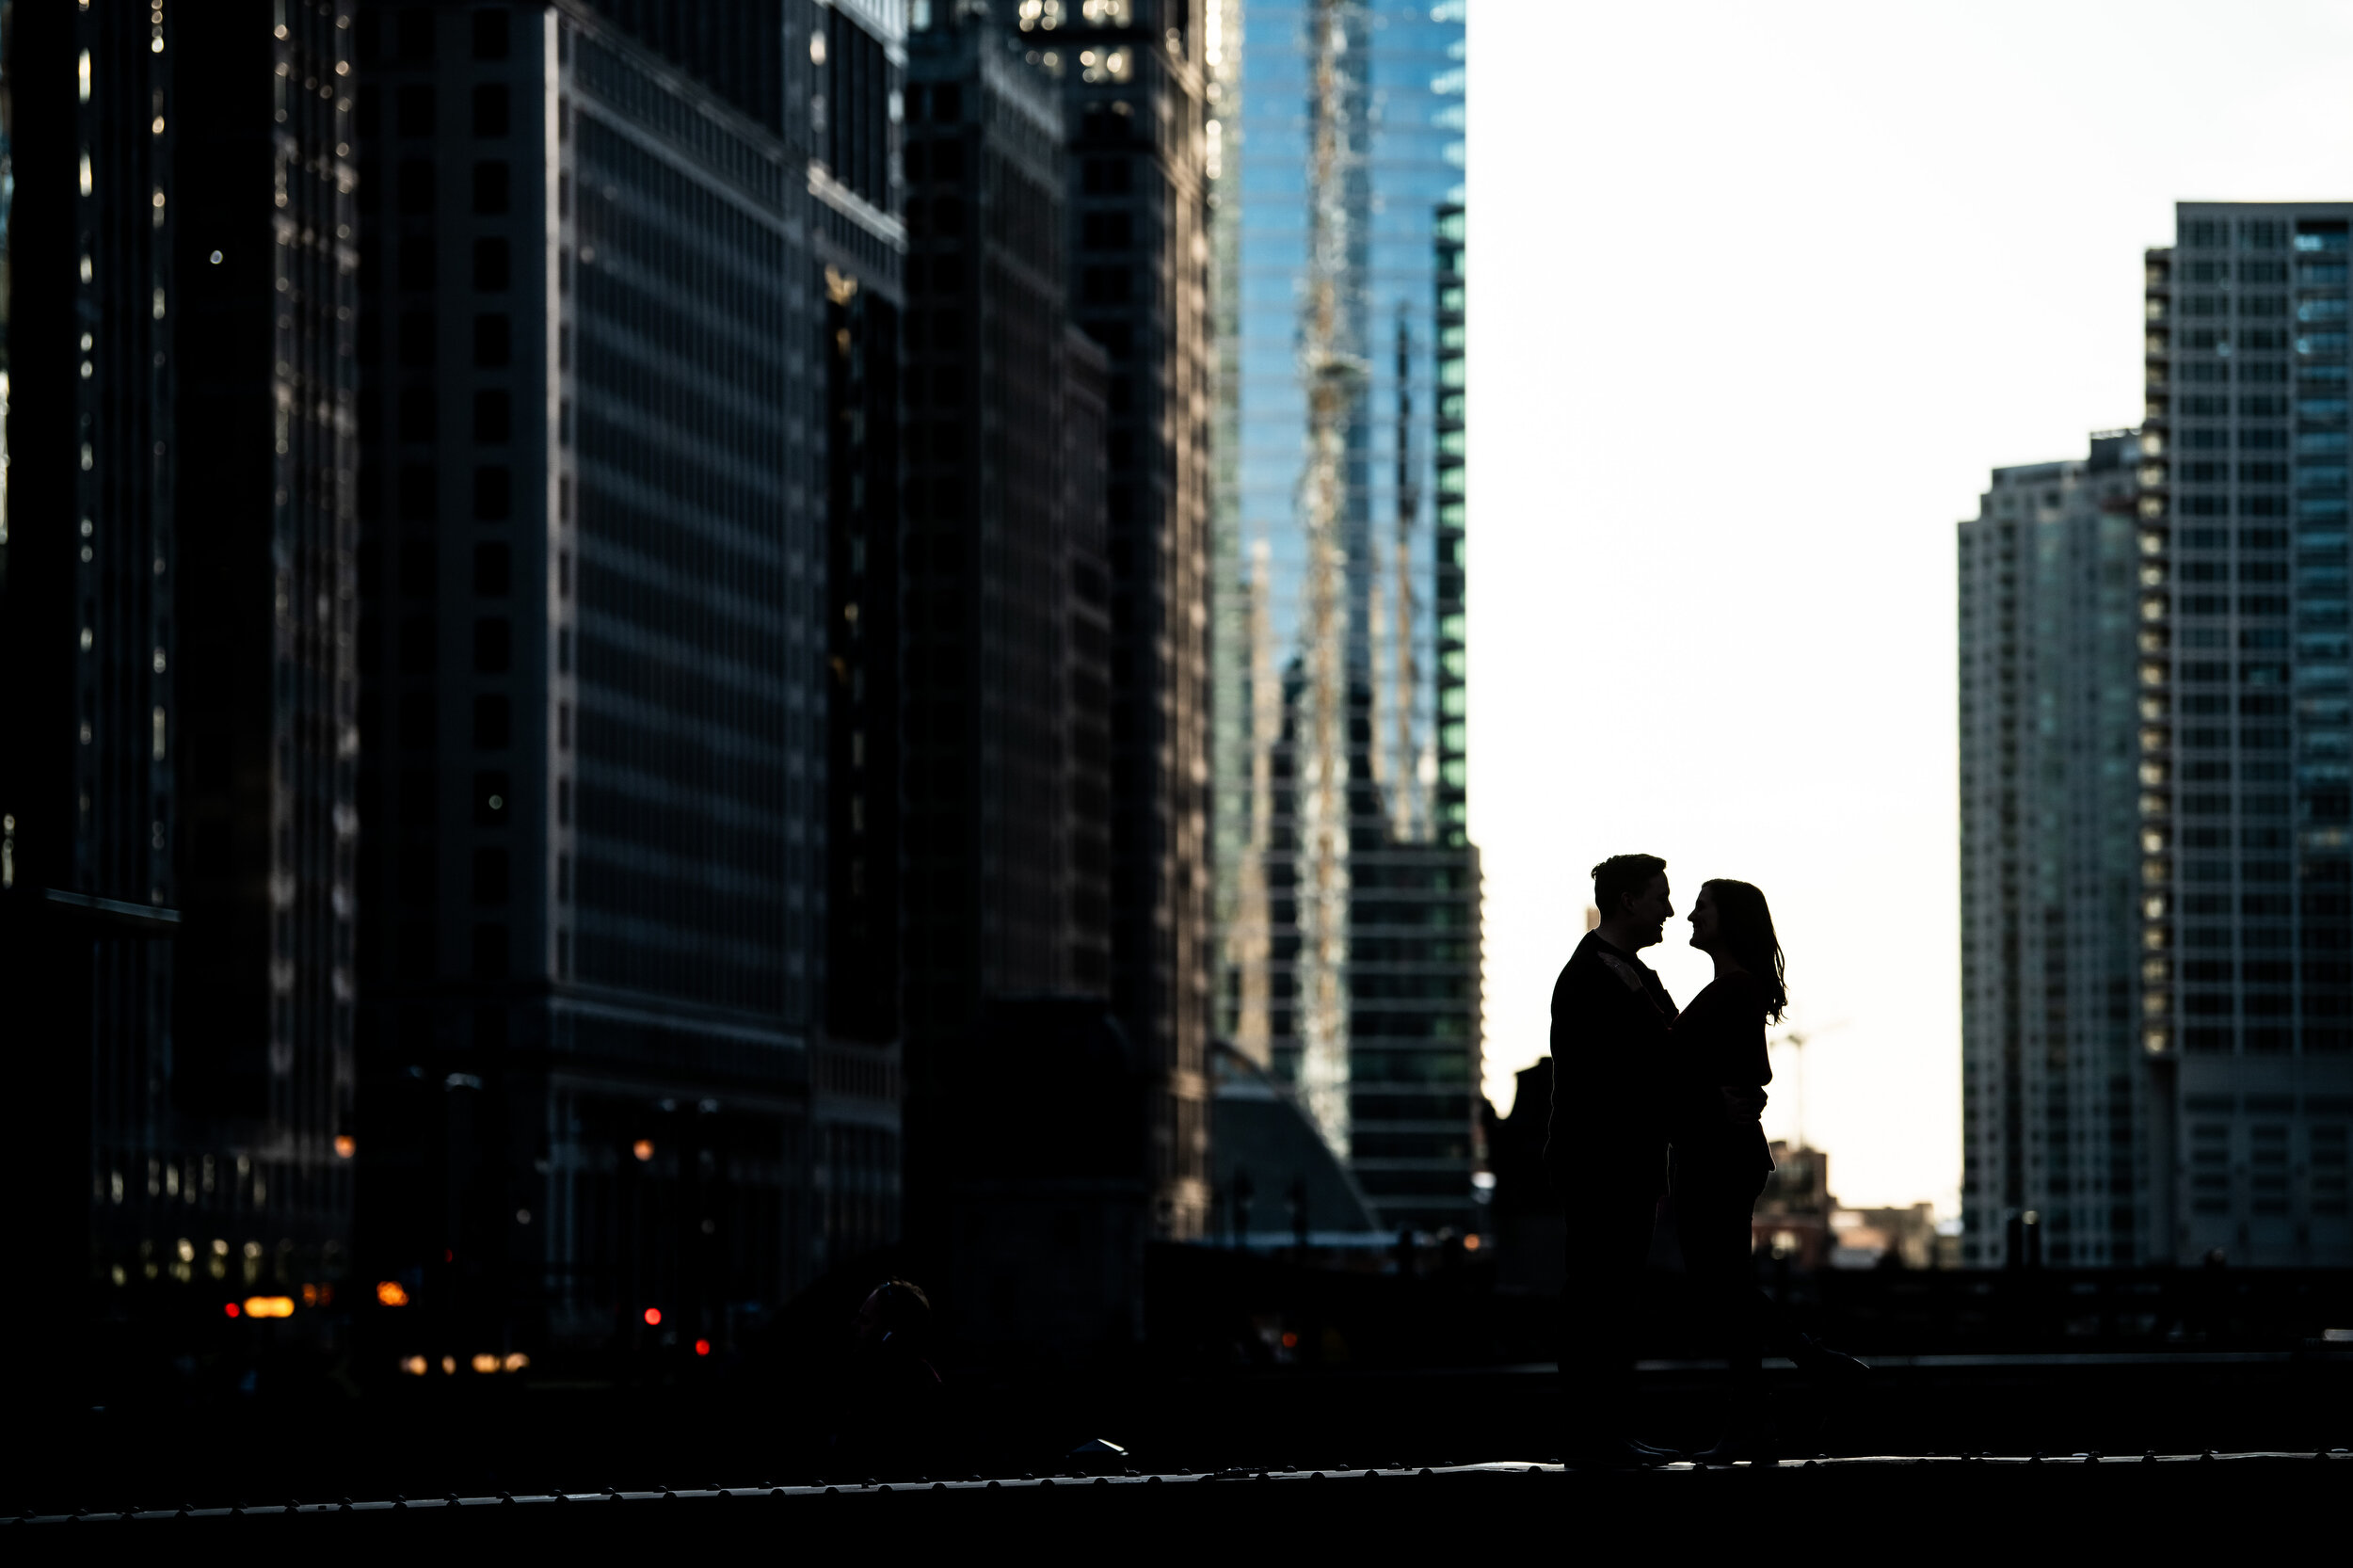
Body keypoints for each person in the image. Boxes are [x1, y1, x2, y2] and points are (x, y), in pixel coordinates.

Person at [1673, 878, 1866, 1464]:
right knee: (1727, 1290)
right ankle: (1764, 1410)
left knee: (1723, 1288)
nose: (1689, 916)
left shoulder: (1735, 988)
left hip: (1718, 1154)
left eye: (1702, 908)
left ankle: (1807, 1376)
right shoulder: (1732, 988)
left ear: (1729, 920)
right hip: (1719, 1150)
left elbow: (1747, 1072)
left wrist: (1710, 1101)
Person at [1544, 853, 1681, 1467]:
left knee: (1607, 1299)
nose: (1670, 911)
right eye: (1659, 898)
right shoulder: (1600, 976)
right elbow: (1655, 1060)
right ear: (1628, 900)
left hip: (1617, 1163)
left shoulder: (1617, 972)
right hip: (1608, 1165)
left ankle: (1601, 1435)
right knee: (1601, 1299)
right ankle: (1595, 1437)